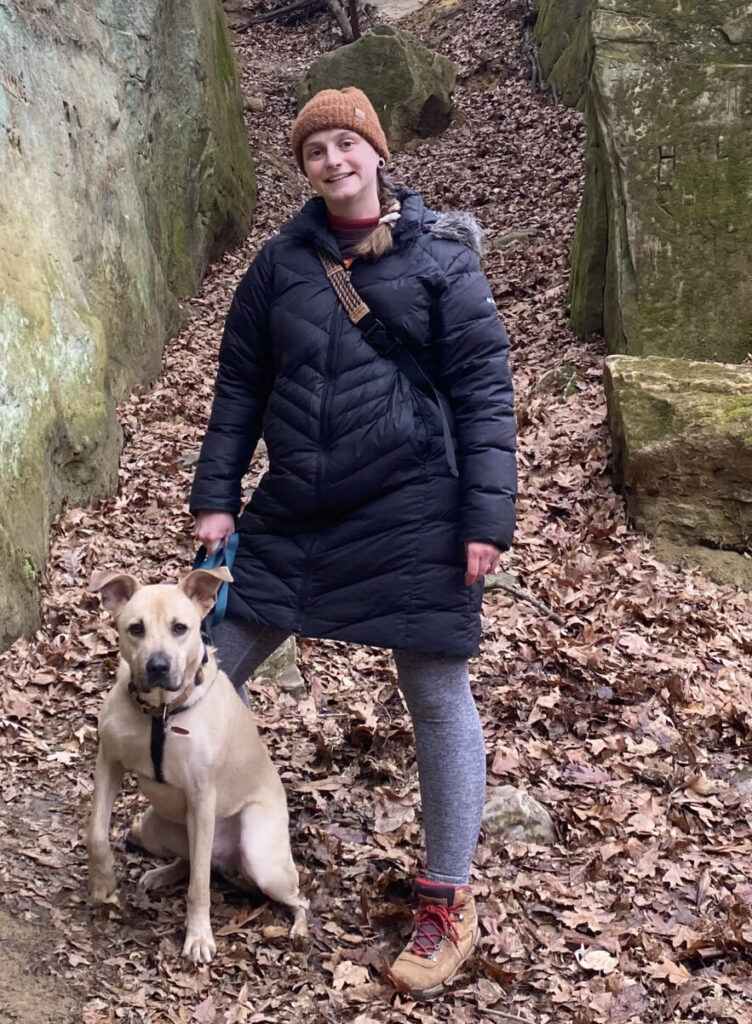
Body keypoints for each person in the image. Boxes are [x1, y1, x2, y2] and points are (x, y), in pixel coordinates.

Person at [190, 86, 516, 998]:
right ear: (304, 169)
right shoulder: (279, 265)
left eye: (346, 144)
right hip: (297, 506)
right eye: (314, 151)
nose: (332, 161)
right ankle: (192, 833)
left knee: (436, 690)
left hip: (417, 506)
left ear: (376, 153)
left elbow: (486, 394)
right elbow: (238, 387)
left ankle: (448, 896)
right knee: (203, 665)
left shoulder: (443, 262)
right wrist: (217, 499)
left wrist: (486, 518)